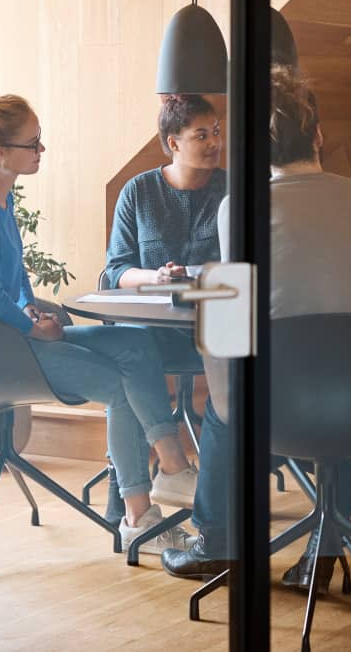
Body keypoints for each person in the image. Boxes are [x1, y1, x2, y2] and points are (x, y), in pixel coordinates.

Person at [160, 65, 351, 593]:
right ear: (318, 135)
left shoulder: (240, 210)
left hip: (276, 409)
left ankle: (215, 544)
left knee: (223, 406)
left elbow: (238, 308)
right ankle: (327, 547)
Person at [0, 88, 193, 557]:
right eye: (33, 144)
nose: (41, 151)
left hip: (10, 336)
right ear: (0, 152)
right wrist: (30, 327)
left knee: (134, 344)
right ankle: (140, 518)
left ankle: (171, 467)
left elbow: (12, 281)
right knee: (118, 384)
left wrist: (30, 308)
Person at [102, 94, 227, 520]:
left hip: (213, 329)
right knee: (129, 348)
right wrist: (154, 277)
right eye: (201, 135)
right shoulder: (138, 192)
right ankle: (157, 473)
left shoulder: (233, 191)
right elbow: (116, 270)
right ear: (173, 143)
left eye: (216, 133)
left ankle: (214, 493)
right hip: (151, 332)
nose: (214, 143)